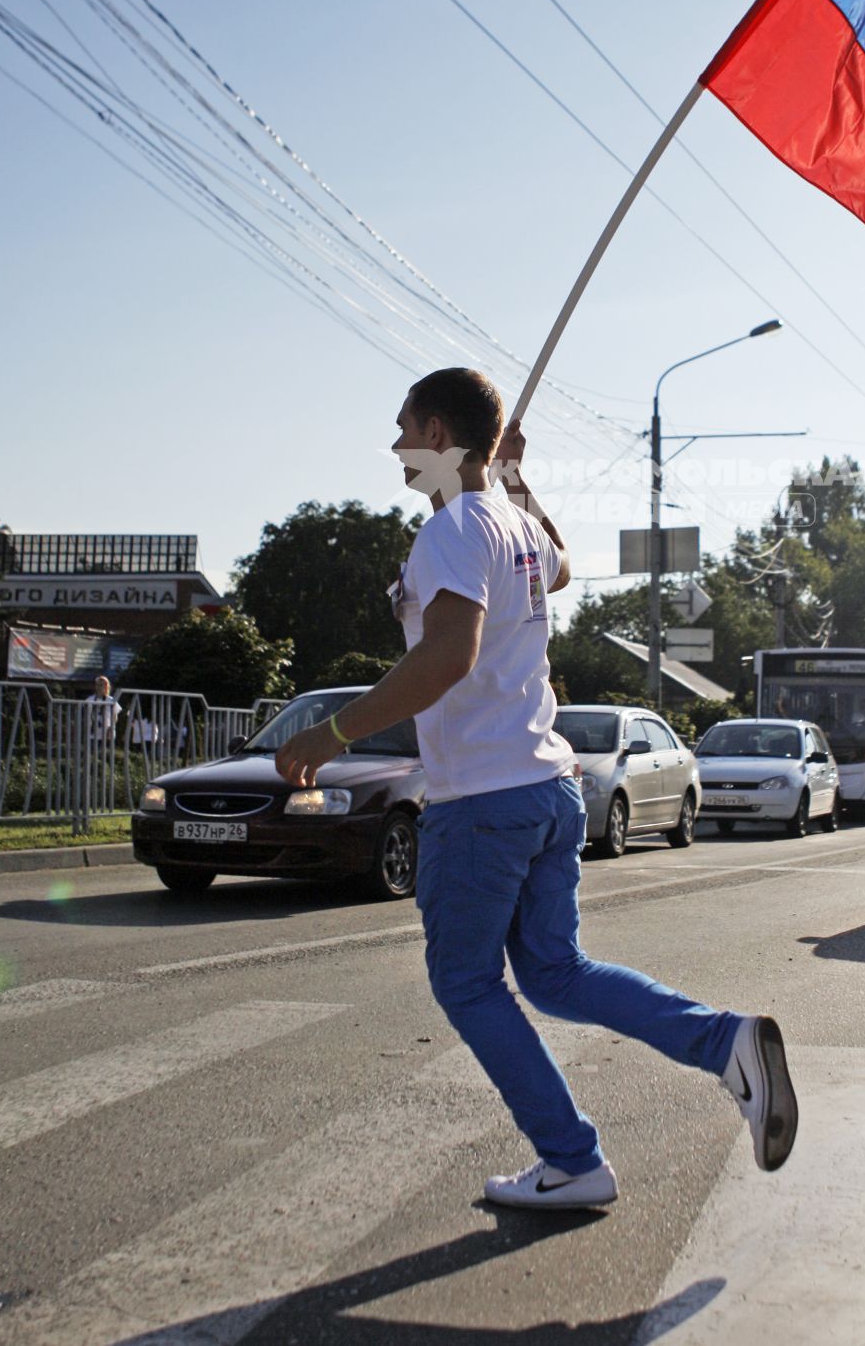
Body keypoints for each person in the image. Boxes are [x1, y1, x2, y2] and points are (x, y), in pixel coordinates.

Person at [275, 367, 797, 1210]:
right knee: (554, 973)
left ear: (440, 435)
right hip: (547, 789)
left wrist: (332, 731)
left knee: (467, 982)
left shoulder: (447, 530)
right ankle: (723, 1042)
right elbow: (556, 569)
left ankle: (573, 1156)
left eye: (405, 427)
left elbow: (448, 655)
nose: (398, 445)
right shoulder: (508, 521)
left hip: (480, 800)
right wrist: (516, 475)